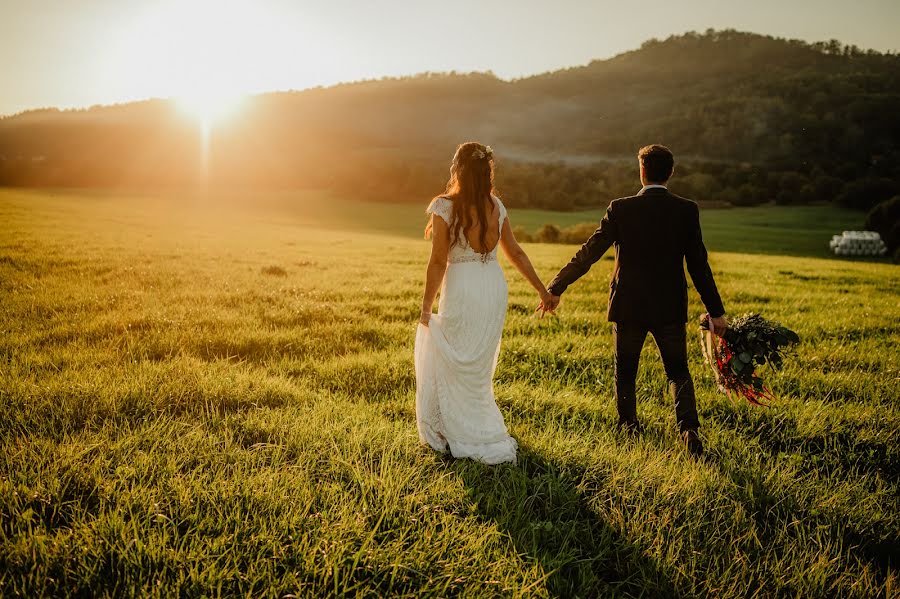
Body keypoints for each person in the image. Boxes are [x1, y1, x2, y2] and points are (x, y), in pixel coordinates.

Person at [541, 144, 727, 456]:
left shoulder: (621, 208)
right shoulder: (686, 210)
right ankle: (689, 430)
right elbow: (698, 265)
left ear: (641, 171)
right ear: (670, 173)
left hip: (628, 305)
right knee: (678, 372)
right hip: (669, 307)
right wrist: (716, 311)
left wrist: (556, 286)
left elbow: (590, 251)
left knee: (625, 372)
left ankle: (629, 430)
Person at [415, 142, 551, 465]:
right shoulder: (497, 207)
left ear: (458, 170)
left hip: (463, 289)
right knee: (475, 367)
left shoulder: (444, 206)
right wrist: (543, 292)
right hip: (492, 288)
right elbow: (515, 252)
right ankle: (478, 425)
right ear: (487, 172)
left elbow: (437, 262)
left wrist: (425, 308)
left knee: (456, 359)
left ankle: (459, 430)